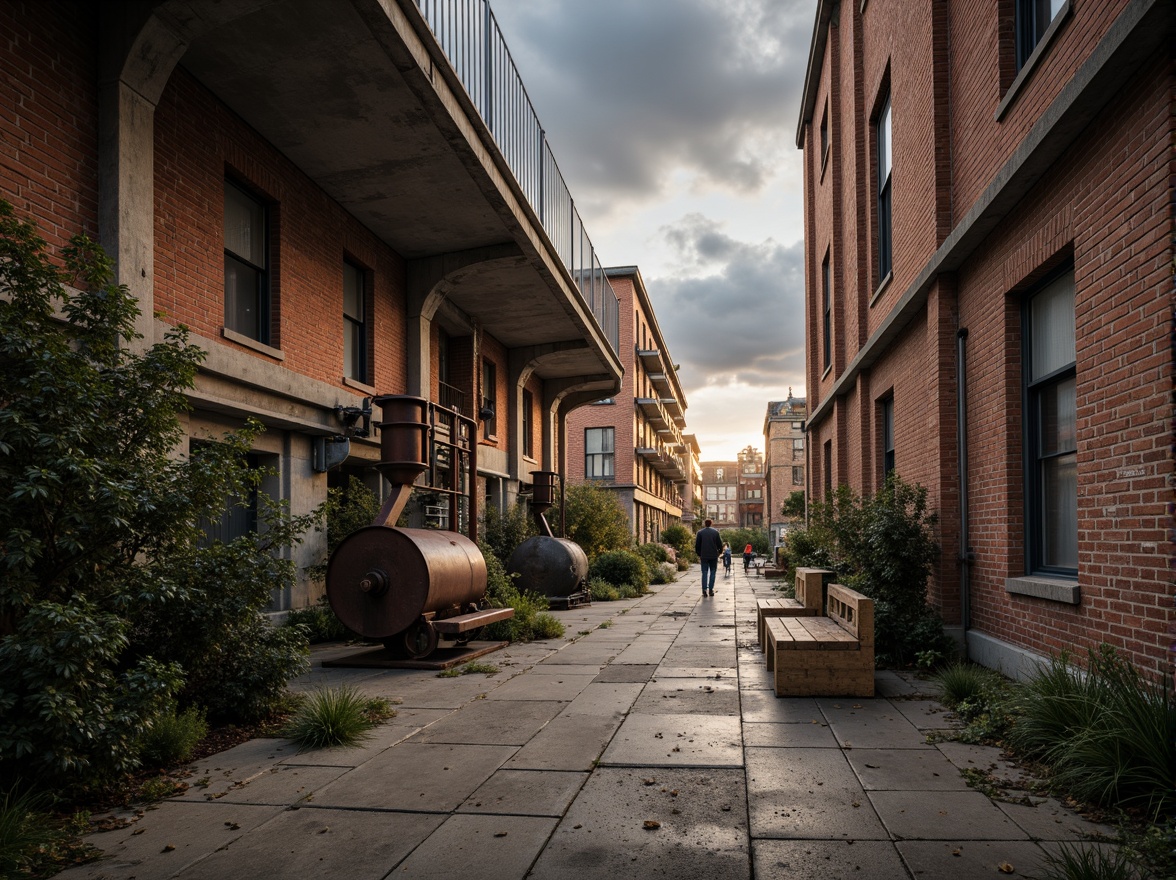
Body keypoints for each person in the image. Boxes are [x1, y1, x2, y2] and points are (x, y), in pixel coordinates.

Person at [694, 519, 723, 597]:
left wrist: (699, 554)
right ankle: (711, 589)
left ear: (704, 524)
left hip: (704, 556)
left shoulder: (700, 533)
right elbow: (720, 544)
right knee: (713, 573)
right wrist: (719, 552)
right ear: (711, 524)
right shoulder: (715, 532)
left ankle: (704, 590)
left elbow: (697, 545)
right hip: (713, 556)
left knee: (704, 573)